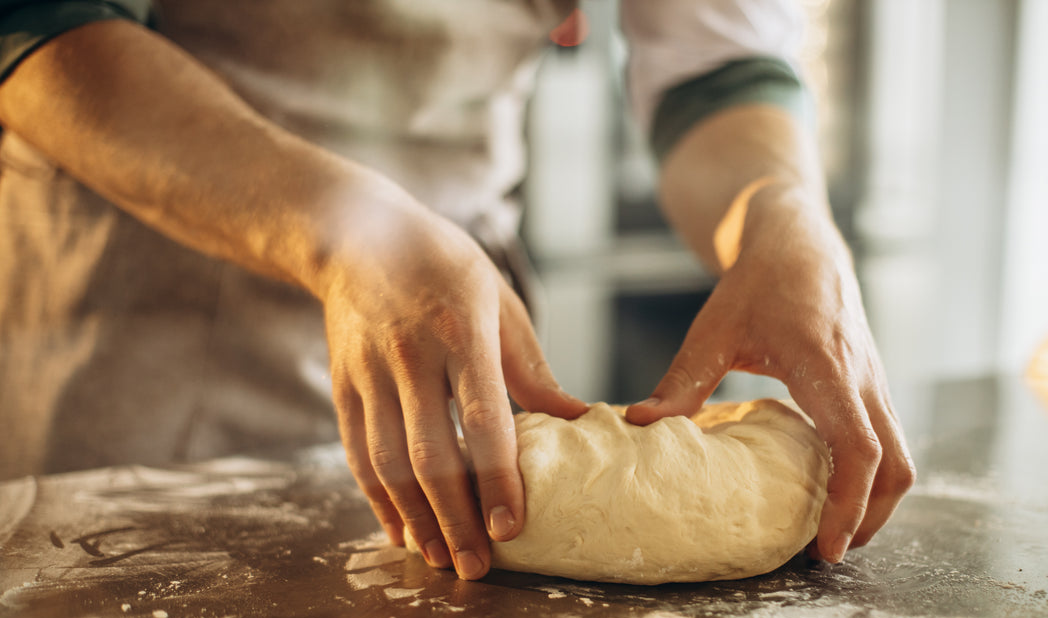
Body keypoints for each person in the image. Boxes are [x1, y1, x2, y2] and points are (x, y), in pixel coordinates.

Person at [0, 0, 914, 580]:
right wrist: (341, 229)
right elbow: (39, 21)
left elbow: (714, 66)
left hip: (464, 320)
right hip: (148, 296)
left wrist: (784, 210)